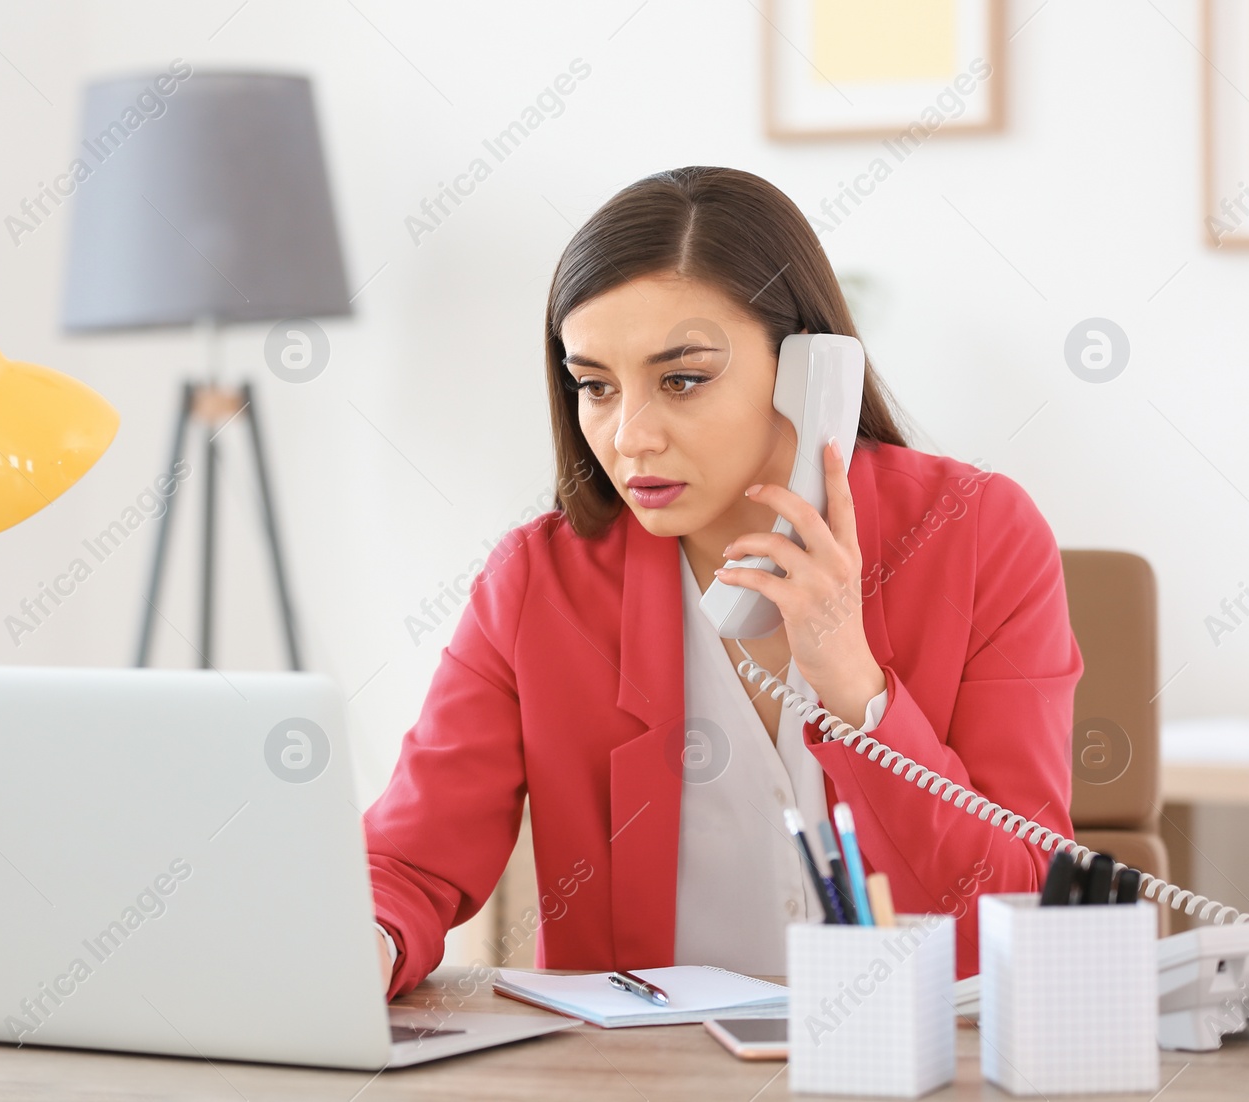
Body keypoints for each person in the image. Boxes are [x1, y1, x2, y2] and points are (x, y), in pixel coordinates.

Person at [364, 166, 1081, 1000]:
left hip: (916, 1069)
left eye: (682, 379)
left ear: (809, 373)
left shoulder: (979, 534)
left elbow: (1024, 900)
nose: (629, 437)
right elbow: (409, 861)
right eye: (594, 385)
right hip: (646, 1080)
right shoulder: (540, 580)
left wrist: (854, 686)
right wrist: (363, 946)